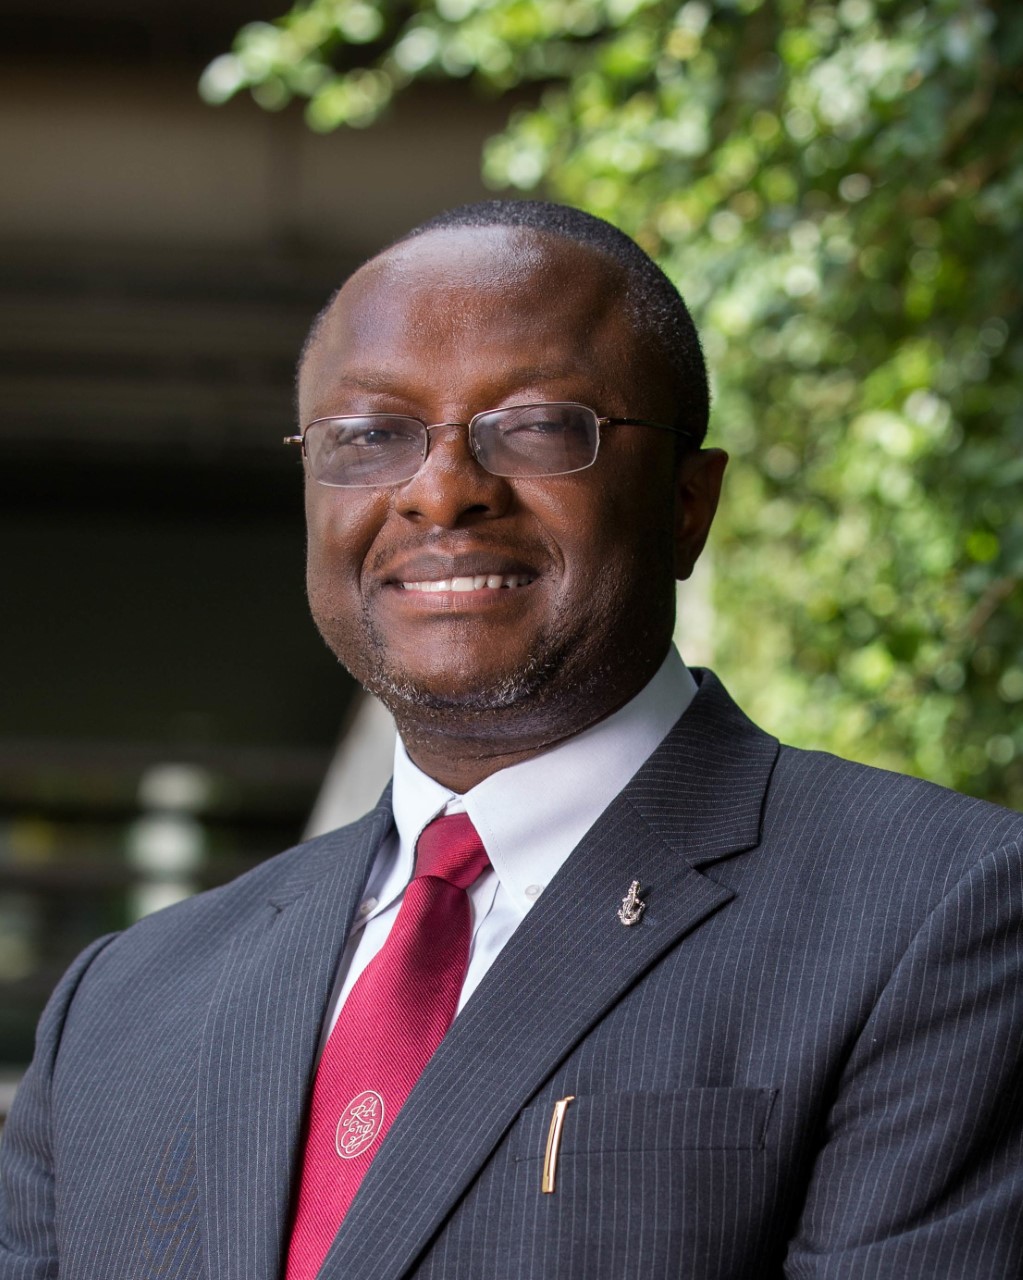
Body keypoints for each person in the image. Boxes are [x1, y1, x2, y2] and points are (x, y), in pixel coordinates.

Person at [2, 200, 1021, 1280]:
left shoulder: (943, 909)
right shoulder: (122, 1001)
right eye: (371, 435)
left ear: (686, 502)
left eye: (536, 425)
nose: (442, 490)